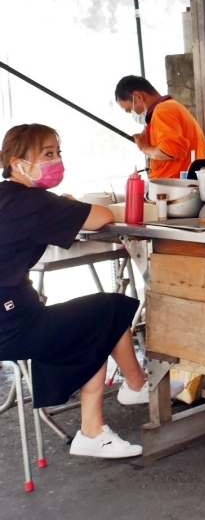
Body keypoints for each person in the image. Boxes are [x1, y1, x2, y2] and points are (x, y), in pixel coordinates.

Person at [0, 124, 150, 459]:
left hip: (12, 314)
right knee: (104, 314)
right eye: (47, 154)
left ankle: (134, 389)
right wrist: (71, 204)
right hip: (12, 326)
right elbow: (102, 216)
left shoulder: (5, 195)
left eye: (58, 153)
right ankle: (109, 414)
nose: (57, 161)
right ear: (17, 163)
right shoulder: (35, 202)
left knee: (92, 317)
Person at [114, 76, 205, 180]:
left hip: (175, 189)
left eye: (130, 109)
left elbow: (170, 151)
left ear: (138, 96)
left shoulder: (163, 110)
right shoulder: (172, 107)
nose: (133, 113)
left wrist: (145, 148)